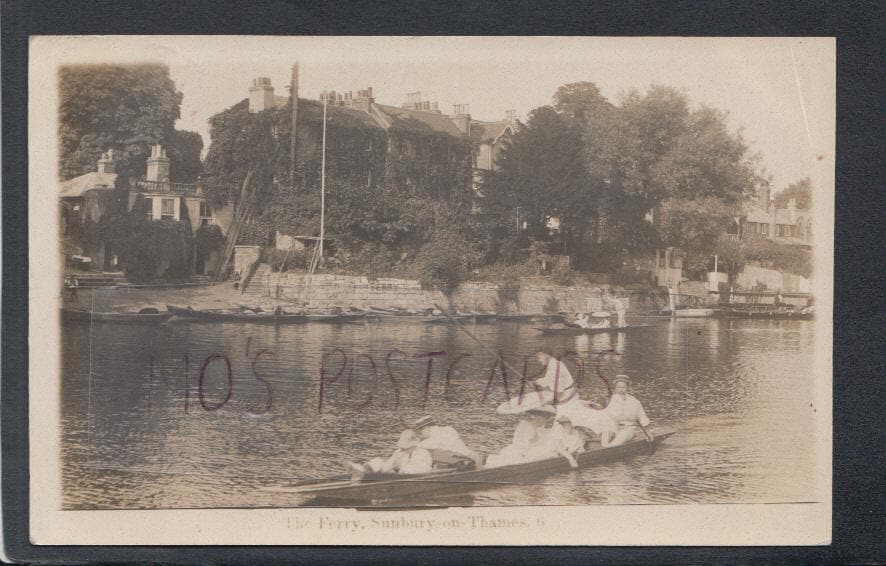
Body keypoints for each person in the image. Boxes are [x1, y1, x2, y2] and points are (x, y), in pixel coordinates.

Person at [345, 429, 433, 480]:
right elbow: (389, 464)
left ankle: (365, 474)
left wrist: (397, 471)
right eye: (403, 447)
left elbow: (417, 470)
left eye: (405, 447)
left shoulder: (421, 454)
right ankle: (362, 470)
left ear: (413, 444)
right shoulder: (400, 452)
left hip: (414, 477)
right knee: (378, 461)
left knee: (396, 472)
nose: (402, 449)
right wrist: (382, 469)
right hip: (400, 475)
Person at [485, 407, 555, 468]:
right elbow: (522, 441)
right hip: (523, 449)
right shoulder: (526, 426)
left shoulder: (542, 430)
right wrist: (535, 439)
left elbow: (543, 439)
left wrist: (539, 437)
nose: (540, 421)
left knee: (545, 451)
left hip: (529, 449)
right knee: (514, 457)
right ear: (535, 417)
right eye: (538, 418)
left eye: (543, 419)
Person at [413, 416, 484, 469]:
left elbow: (415, 447)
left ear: (427, 428)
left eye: (420, 431)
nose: (420, 434)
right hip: (472, 456)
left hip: (461, 462)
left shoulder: (431, 440)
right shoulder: (449, 429)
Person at [600, 375, 653, 447]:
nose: (621, 389)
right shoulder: (611, 399)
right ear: (615, 388)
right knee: (605, 434)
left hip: (628, 429)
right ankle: (604, 447)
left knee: (621, 437)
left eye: (623, 387)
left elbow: (642, 417)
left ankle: (609, 449)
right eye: (618, 387)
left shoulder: (634, 401)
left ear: (627, 387)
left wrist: (648, 433)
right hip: (614, 427)